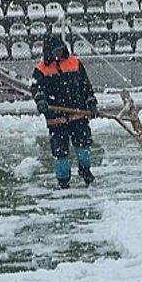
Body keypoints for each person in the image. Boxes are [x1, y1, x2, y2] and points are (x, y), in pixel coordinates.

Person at [32, 33, 98, 189]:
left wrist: (91, 103)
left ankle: (85, 171)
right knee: (60, 152)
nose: (58, 54)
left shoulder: (74, 63)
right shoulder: (40, 69)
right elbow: (35, 88)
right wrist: (40, 101)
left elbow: (86, 86)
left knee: (83, 146)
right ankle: (63, 179)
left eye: (60, 50)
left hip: (78, 114)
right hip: (56, 119)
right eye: (55, 51)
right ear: (48, 51)